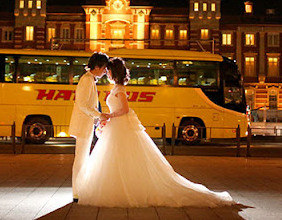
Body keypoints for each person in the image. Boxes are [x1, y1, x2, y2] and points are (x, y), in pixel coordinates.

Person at [76, 57, 234, 207]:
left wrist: (110, 115)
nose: (107, 73)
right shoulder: (116, 88)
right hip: (117, 125)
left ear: (114, 72)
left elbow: (124, 109)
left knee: (118, 156)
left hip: (120, 124)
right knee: (118, 156)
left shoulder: (119, 89)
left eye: (109, 71)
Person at [68, 52, 110, 203]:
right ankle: (77, 192)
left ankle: (79, 191)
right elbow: (83, 104)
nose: (105, 72)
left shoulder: (89, 80)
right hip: (83, 125)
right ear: (97, 66)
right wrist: (99, 115)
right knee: (80, 159)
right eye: (104, 68)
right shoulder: (86, 80)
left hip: (86, 125)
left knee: (83, 158)